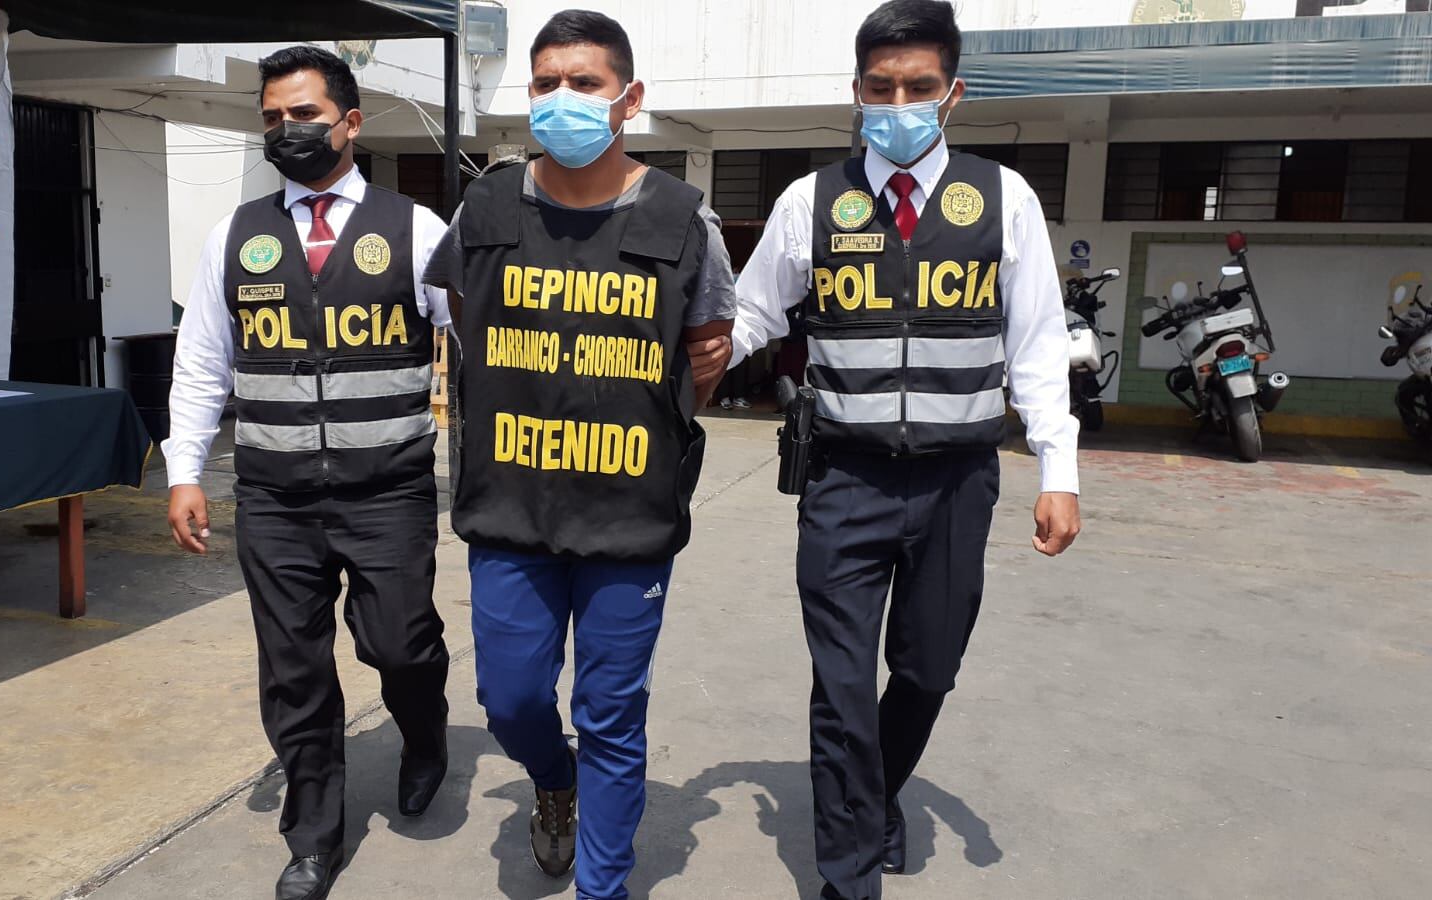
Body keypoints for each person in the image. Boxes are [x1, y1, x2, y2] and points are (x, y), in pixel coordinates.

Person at [726, 3, 1081, 898]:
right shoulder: (812, 201)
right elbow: (751, 315)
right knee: (843, 685)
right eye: (880, 88)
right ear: (855, 90)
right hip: (844, 478)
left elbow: (1038, 342)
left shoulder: (1004, 199)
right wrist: (669, 358)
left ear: (953, 94)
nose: (898, 105)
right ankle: (849, 873)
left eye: (918, 88)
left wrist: (1060, 471)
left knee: (927, 670)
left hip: (959, 480)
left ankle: (876, 791)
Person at [422, 10, 735, 898]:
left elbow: (706, 354)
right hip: (509, 507)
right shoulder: (485, 208)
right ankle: (553, 779)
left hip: (628, 516)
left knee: (611, 714)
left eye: (585, 82)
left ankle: (604, 886)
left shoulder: (684, 219)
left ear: (629, 100)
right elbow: (463, 324)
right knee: (510, 699)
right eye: (547, 82)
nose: (563, 97)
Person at [162, 46, 452, 900]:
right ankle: (315, 836)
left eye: (304, 115)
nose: (286, 130)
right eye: (272, 118)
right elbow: (201, 361)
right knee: (294, 668)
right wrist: (184, 472)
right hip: (275, 497)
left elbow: (478, 344)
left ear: (350, 123)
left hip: (388, 490)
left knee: (399, 645)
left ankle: (425, 734)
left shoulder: (415, 228)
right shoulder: (236, 235)